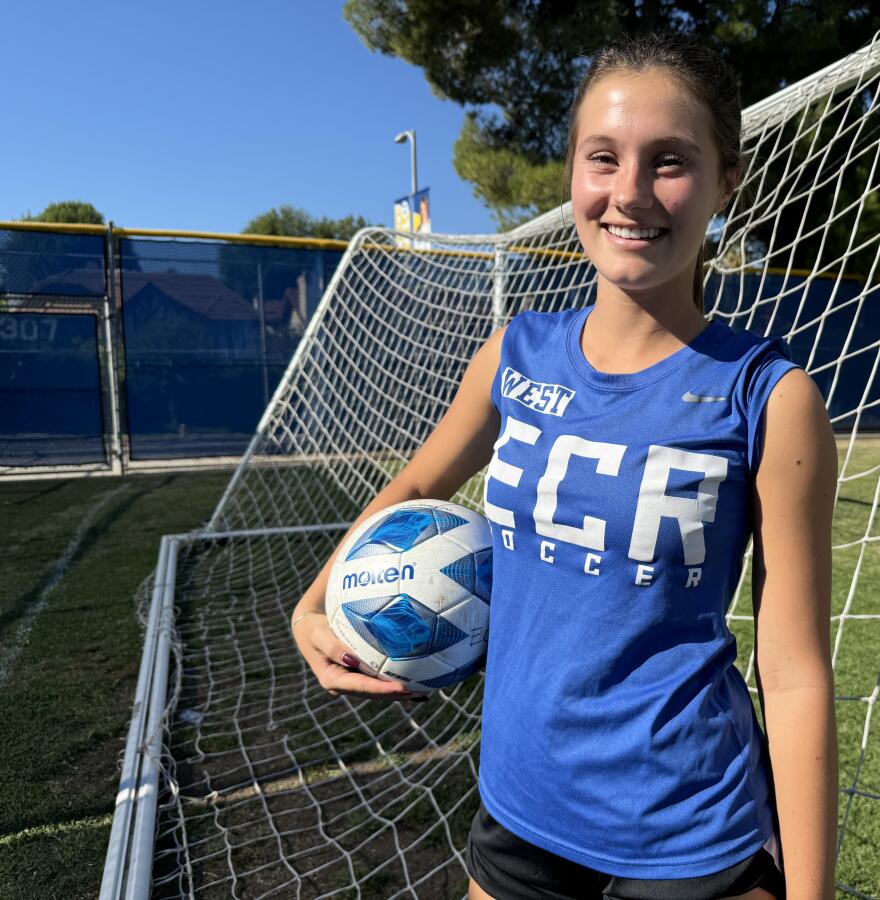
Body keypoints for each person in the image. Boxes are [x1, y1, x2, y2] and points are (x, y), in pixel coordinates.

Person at [291, 33, 838, 900]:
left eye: (670, 162)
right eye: (603, 158)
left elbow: (796, 665)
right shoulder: (516, 352)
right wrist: (312, 605)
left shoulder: (768, 395)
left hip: (686, 830)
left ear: (725, 182)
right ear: (572, 175)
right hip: (519, 811)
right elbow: (414, 489)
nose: (629, 193)